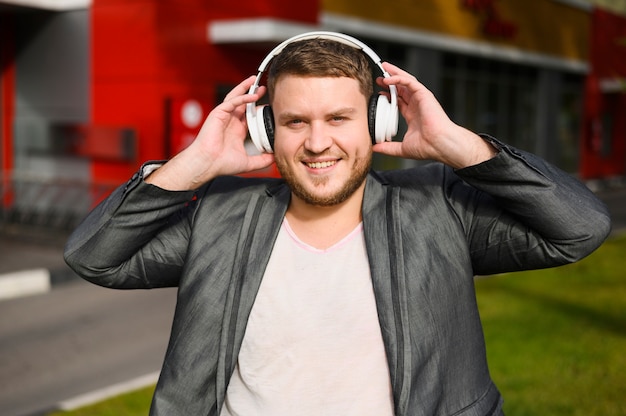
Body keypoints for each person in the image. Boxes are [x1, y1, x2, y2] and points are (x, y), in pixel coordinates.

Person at [64, 32, 611, 416]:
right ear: (266, 129)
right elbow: (94, 256)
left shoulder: (439, 210)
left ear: (377, 120)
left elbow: (578, 228)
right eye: (294, 121)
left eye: (339, 118)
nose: (317, 141)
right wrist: (193, 165)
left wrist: (457, 146)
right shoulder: (219, 216)